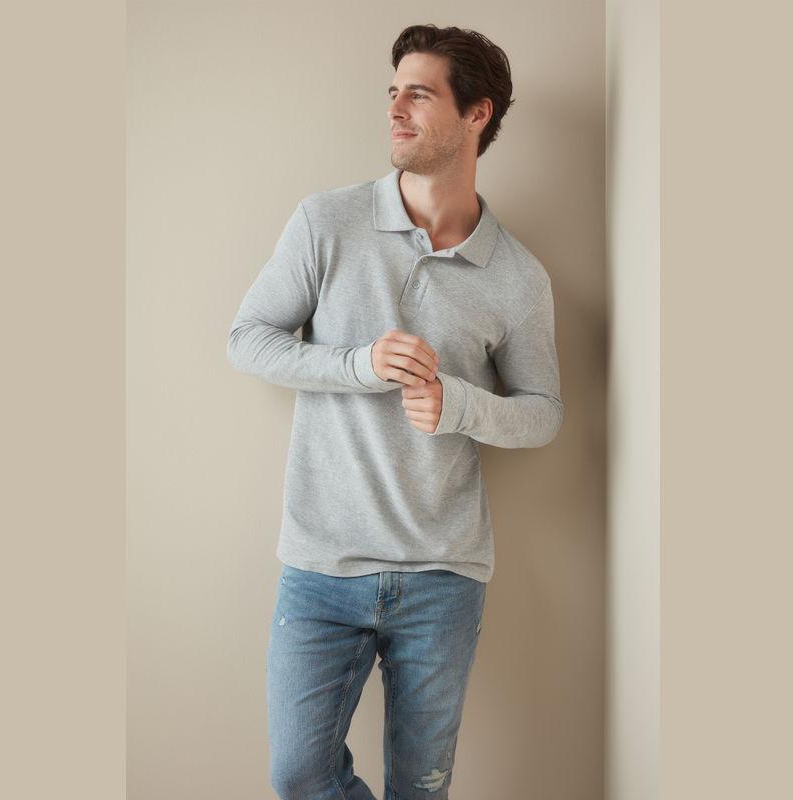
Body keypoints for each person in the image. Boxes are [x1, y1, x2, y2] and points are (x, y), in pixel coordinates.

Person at [227, 23, 563, 800]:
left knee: (422, 787)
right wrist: (359, 364)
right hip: (321, 565)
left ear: (476, 114)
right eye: (392, 93)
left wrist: (457, 405)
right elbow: (247, 339)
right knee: (298, 775)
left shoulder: (518, 276)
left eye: (419, 94)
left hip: (443, 576)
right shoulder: (326, 222)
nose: (395, 109)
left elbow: (543, 413)